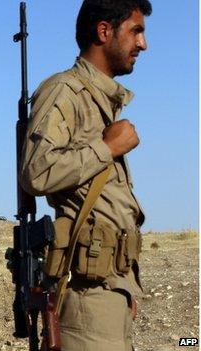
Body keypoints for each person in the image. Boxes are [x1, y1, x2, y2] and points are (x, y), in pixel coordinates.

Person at [20, 1, 151, 350]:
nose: (143, 44)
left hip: (110, 291)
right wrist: (106, 149)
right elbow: (36, 171)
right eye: (136, 31)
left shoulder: (100, 100)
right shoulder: (65, 91)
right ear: (104, 31)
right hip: (86, 295)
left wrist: (126, 286)